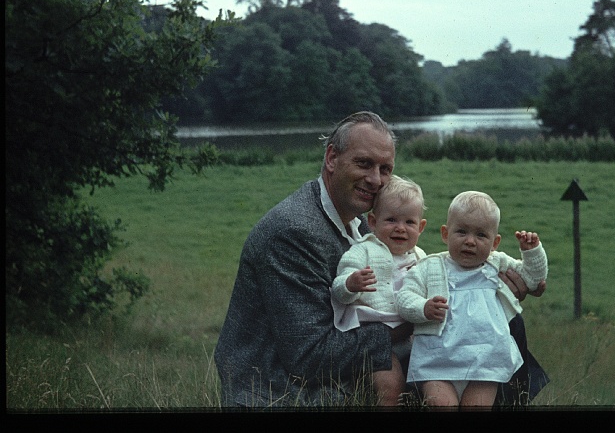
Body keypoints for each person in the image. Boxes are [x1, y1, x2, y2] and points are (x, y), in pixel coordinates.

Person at [214, 111, 543, 408]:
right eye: (364, 163)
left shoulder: (358, 221)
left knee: (495, 325)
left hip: (342, 357)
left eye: (385, 169)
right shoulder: (293, 232)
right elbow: (308, 356)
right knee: (464, 339)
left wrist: (480, 286)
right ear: (331, 157)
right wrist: (413, 318)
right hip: (280, 390)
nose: (376, 179)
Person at [397, 190, 549, 409]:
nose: (470, 241)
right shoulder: (429, 267)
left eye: (481, 235)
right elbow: (404, 298)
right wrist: (423, 308)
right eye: (461, 232)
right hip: (438, 361)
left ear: (495, 242)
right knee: (441, 405)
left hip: (485, 362)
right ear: (445, 234)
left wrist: (532, 252)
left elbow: (533, 279)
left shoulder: (496, 264)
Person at [331, 174, 427, 406]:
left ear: (421, 227)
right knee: (391, 386)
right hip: (376, 340)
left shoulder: (420, 257)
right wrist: (350, 284)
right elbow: (337, 288)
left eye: (409, 223)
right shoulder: (363, 251)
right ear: (372, 222)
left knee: (432, 378)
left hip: (412, 335)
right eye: (391, 220)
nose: (400, 229)